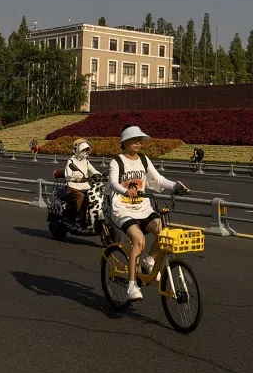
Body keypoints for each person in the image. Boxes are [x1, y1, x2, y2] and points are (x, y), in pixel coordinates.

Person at [108, 125, 188, 301]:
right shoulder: (117, 161)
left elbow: (158, 179)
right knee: (139, 240)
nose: (138, 143)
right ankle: (131, 286)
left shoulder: (143, 159)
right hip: (122, 208)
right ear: (125, 142)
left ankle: (149, 260)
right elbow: (113, 182)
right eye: (134, 140)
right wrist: (124, 191)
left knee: (164, 232)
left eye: (140, 140)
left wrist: (175, 185)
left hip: (142, 207)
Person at [64, 138, 100, 226]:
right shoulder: (71, 161)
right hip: (72, 187)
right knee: (81, 197)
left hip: (85, 186)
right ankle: (78, 219)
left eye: (86, 150)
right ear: (77, 150)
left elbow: (94, 171)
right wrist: (74, 178)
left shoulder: (86, 161)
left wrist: (101, 175)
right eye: (83, 149)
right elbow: (68, 175)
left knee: (94, 197)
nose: (84, 152)